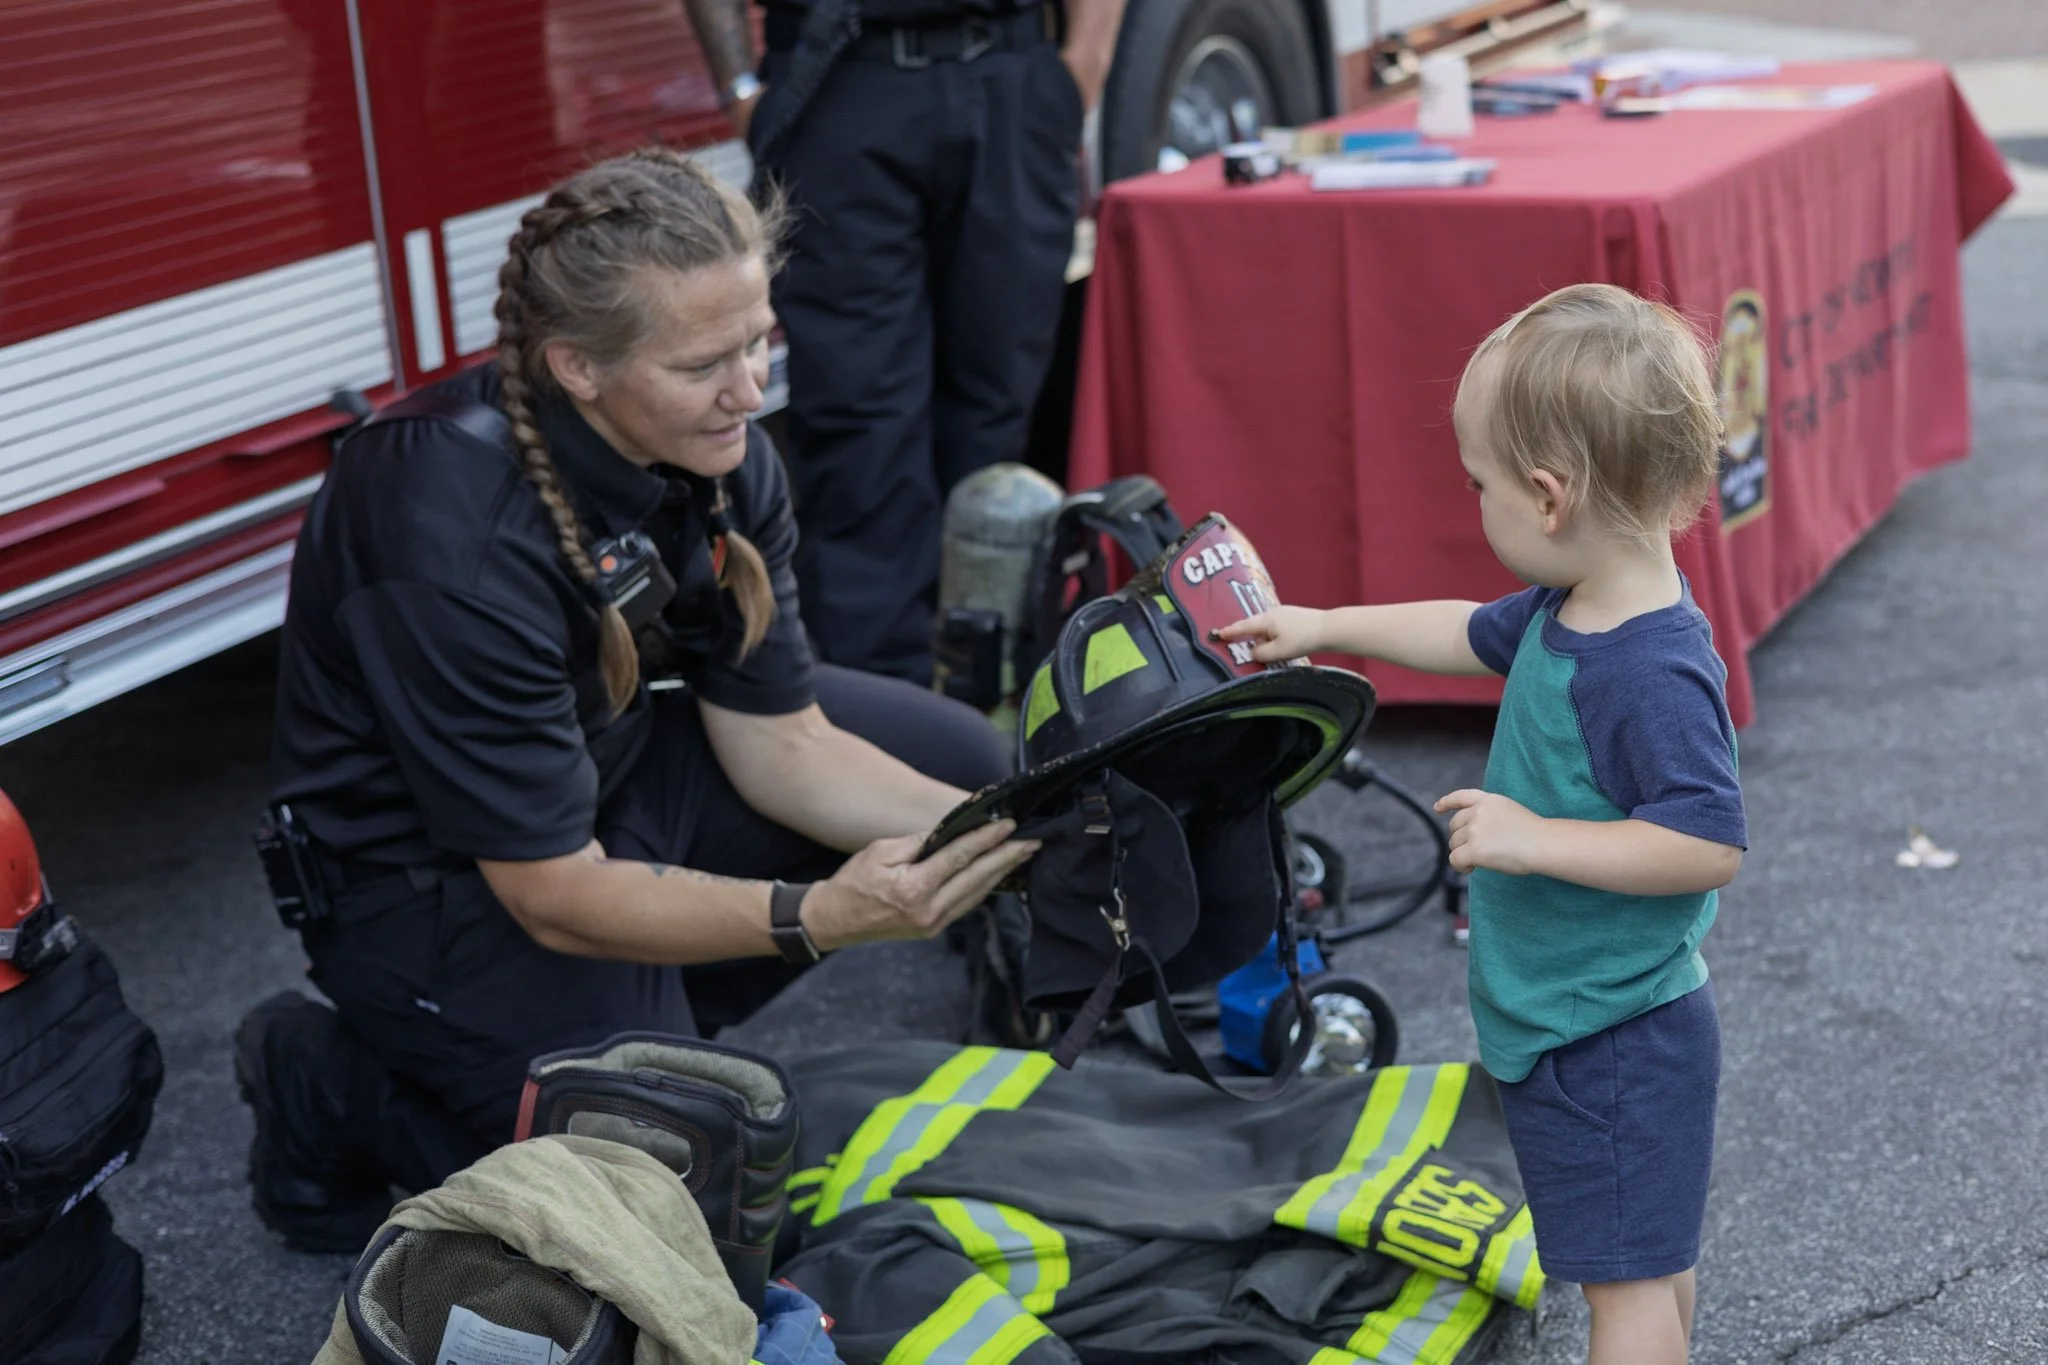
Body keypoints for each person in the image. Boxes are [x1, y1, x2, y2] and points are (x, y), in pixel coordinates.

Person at [238, 147, 1037, 1254]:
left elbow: (788, 748)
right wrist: (821, 918)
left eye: (760, 338)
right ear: (576, 367)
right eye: (707, 361)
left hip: (605, 784)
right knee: (677, 1196)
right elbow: (553, 893)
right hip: (432, 891)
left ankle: (615, 1035)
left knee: (956, 758)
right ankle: (340, 1086)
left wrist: (1023, 831)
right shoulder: (444, 528)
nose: (752, 390)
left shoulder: (715, 444)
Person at [1219, 284, 1748, 1365]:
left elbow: (1705, 844)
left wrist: (1528, 838)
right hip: (1582, 1020)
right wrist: (1325, 626)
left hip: (1607, 1035)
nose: (1474, 501)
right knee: (1644, 1268)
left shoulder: (1645, 665)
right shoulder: (1576, 602)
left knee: (1626, 1293)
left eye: (1477, 484)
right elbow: (1461, 629)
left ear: (1547, 497)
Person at [678, 0, 1130, 683]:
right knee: (863, 432)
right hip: (841, 80)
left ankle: (993, 697)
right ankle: (886, 717)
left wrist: (1082, 66)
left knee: (995, 413)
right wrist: (742, 91)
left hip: (1011, 79)